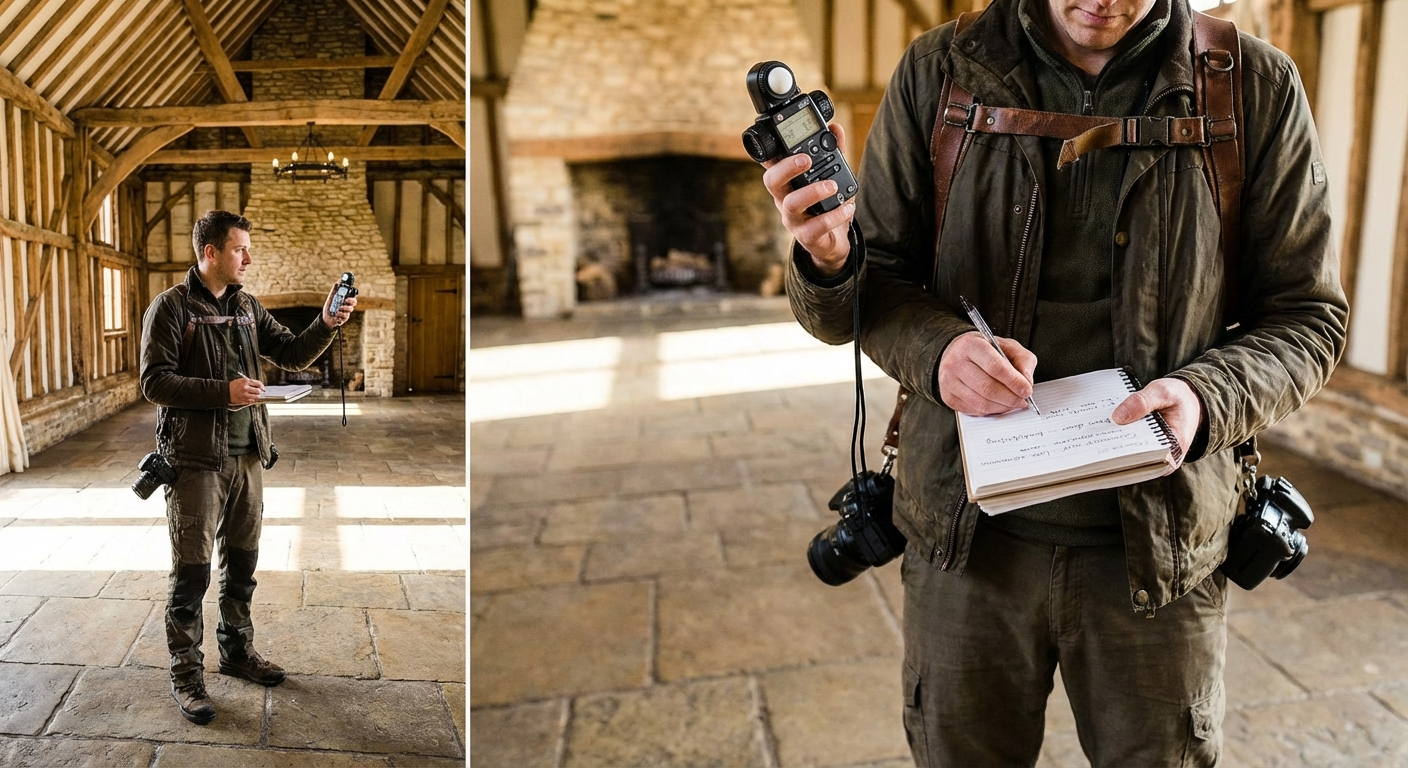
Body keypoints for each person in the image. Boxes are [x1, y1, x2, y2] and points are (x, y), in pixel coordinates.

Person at [766, 0, 1347, 762]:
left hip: (1159, 548)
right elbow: (870, 295)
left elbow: (1308, 317)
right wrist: (850, 279)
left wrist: (1208, 398)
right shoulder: (939, 71)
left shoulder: (1252, 85)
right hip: (969, 547)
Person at [139, 210, 357, 725]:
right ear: (210, 252)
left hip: (248, 458)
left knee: (242, 567)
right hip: (194, 463)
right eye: (240, 249)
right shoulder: (170, 308)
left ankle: (236, 652)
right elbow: (154, 382)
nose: (248, 258)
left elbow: (289, 351)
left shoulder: (247, 307)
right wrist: (225, 392)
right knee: (191, 577)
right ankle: (187, 676)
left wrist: (326, 322)